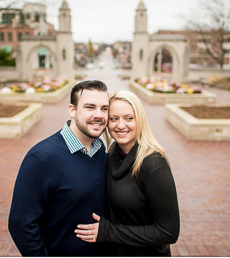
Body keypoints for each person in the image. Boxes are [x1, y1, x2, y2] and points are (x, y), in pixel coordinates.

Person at [8, 80, 110, 256]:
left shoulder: (100, 150)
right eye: (90, 107)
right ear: (72, 110)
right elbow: (21, 224)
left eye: (104, 109)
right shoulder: (41, 158)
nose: (99, 115)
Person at [74, 90, 180, 255]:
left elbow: (168, 232)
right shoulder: (112, 151)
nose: (120, 125)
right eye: (114, 119)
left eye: (129, 118)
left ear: (140, 120)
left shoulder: (153, 163)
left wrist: (109, 232)